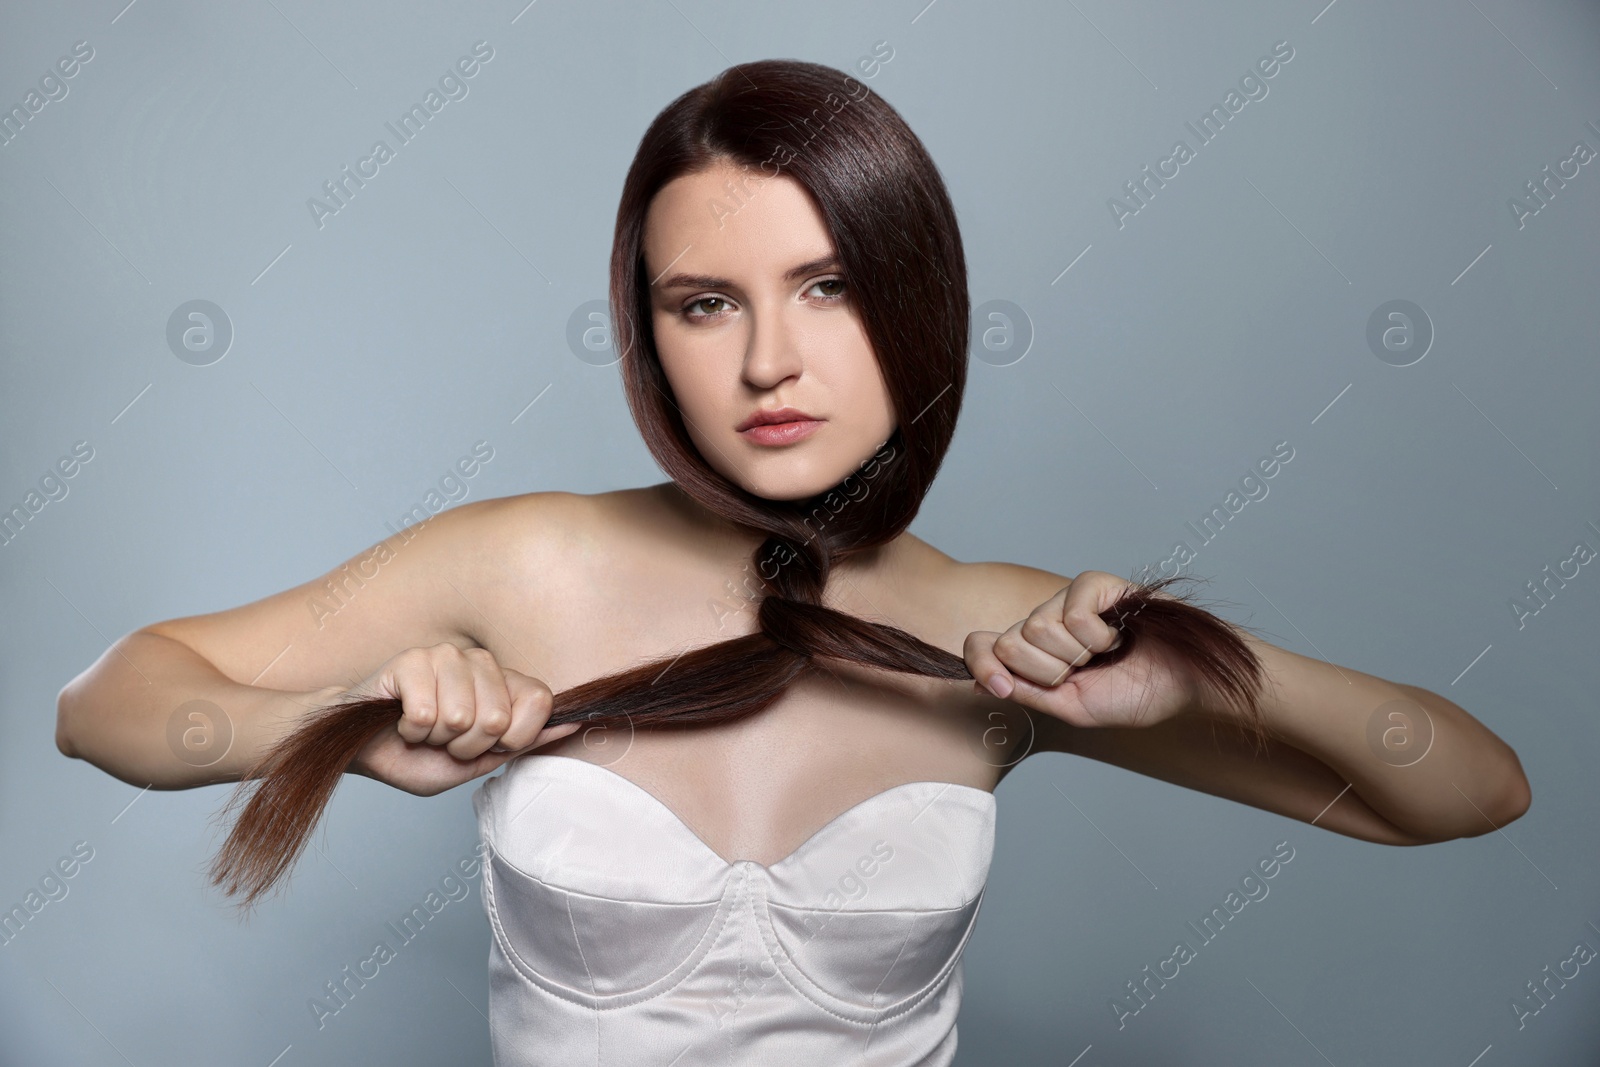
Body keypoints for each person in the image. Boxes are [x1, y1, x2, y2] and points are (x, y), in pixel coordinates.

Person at [55, 59, 1530, 1066]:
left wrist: (1196, 673)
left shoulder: (996, 641)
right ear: (648, 334)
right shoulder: (526, 560)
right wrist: (348, 723)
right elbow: (108, 701)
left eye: (826, 287)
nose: (772, 360)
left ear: (913, 297)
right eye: (706, 304)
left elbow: (1465, 792)